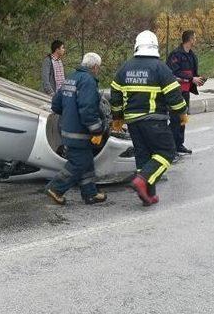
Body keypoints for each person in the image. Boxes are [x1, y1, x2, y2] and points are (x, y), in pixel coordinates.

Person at [110, 31, 188, 206]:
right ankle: (142, 181)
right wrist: (182, 113)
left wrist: (117, 117)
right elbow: (174, 97)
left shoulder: (125, 67)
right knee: (167, 152)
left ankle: (148, 195)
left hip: (132, 122)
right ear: (155, 47)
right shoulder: (160, 68)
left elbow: (115, 93)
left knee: (143, 156)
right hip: (154, 121)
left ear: (137, 45)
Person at [45, 52, 107, 205]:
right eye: (98, 68)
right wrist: (97, 129)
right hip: (79, 132)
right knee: (78, 164)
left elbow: (56, 104)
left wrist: (68, 114)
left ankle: (90, 194)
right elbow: (87, 109)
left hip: (67, 129)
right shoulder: (88, 81)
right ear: (95, 67)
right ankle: (55, 188)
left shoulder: (71, 78)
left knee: (86, 162)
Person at [166, 30, 204, 155]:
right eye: (195, 38)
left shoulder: (192, 55)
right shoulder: (175, 55)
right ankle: (171, 147)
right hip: (175, 92)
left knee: (183, 118)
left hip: (186, 91)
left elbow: (192, 74)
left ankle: (179, 144)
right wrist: (191, 79)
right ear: (190, 39)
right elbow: (173, 73)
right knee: (175, 119)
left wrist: (197, 80)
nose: (196, 40)